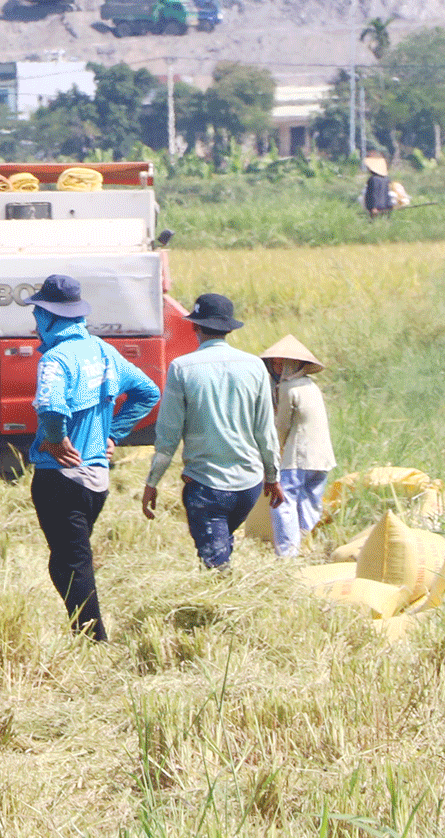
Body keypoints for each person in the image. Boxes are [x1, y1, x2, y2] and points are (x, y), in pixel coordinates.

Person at [26, 273, 161, 642]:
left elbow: (51, 406)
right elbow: (148, 392)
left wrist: (55, 440)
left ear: (49, 316)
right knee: (66, 558)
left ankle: (92, 640)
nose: (35, 321)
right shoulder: (104, 352)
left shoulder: (55, 359)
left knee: (71, 562)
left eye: (37, 312)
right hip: (96, 481)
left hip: (60, 476)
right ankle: (83, 630)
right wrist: (113, 433)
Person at [143, 293, 281, 569]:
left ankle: (225, 605)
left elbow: (168, 435)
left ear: (194, 326)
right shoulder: (254, 366)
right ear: (230, 329)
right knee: (221, 547)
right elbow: (266, 430)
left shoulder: (182, 368)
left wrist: (152, 482)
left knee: (215, 564)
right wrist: (272, 476)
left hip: (206, 486)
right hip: (248, 486)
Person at [261, 335, 333, 559]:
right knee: (309, 503)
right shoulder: (311, 387)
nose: (277, 367)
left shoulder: (288, 388)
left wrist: (272, 456)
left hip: (297, 457)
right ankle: (308, 548)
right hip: (321, 458)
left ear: (295, 364)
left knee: (283, 502)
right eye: (275, 362)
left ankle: (288, 555)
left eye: (282, 363)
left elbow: (281, 427)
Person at [362, 153, 394, 217]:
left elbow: (374, 194)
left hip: (375, 209)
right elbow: (388, 194)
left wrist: (374, 207)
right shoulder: (386, 179)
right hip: (386, 208)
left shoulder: (373, 179)